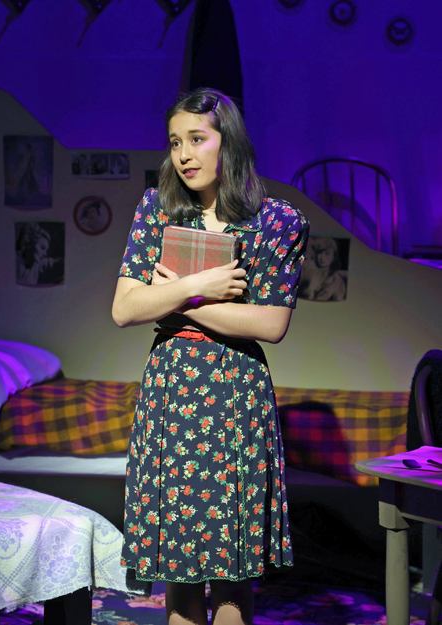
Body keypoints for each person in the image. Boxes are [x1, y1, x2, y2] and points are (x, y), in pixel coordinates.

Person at [112, 88, 309, 625]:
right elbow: (125, 308)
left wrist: (175, 297)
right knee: (179, 571)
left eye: (197, 139)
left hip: (234, 394)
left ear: (230, 143)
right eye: (175, 142)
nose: (184, 154)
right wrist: (200, 287)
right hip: (172, 392)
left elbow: (270, 323)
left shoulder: (277, 221)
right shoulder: (159, 209)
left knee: (231, 573)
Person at [299, 237, 346, 301]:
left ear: (334, 256)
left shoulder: (337, 281)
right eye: (320, 253)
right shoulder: (306, 270)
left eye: (327, 254)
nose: (322, 258)